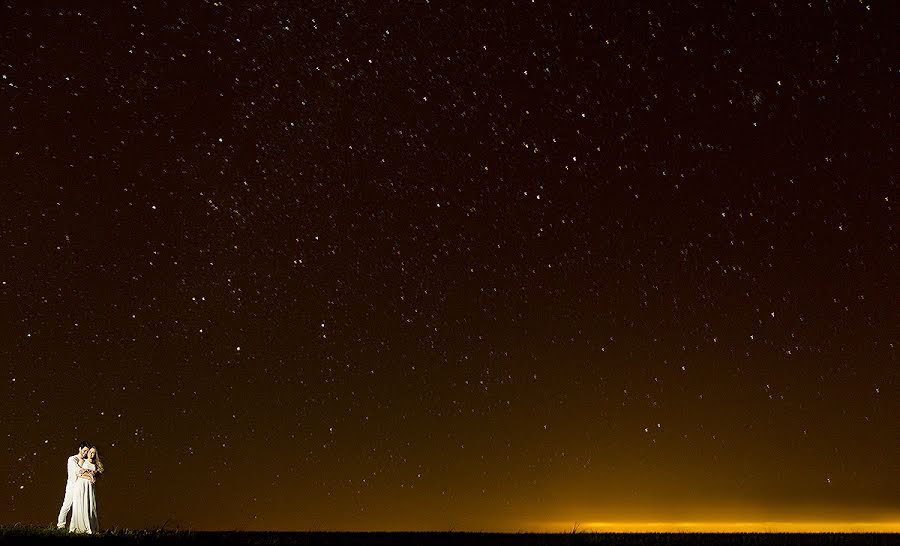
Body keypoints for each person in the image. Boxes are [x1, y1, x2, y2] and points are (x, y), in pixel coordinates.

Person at [56, 441, 90, 529]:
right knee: (66, 506)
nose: (85, 453)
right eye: (84, 450)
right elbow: (78, 471)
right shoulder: (72, 459)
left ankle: (77, 526)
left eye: (87, 451)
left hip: (81, 487)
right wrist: (89, 475)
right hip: (72, 486)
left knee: (79, 507)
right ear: (80, 449)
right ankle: (61, 525)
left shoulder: (86, 460)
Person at [69, 445, 102, 533]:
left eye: (93, 453)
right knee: (81, 504)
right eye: (90, 452)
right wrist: (90, 477)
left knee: (89, 505)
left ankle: (90, 526)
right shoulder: (82, 461)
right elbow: (79, 473)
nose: (91, 454)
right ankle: (79, 527)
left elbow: (97, 473)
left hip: (90, 487)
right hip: (81, 485)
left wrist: (93, 476)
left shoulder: (95, 465)